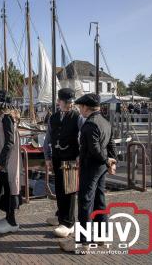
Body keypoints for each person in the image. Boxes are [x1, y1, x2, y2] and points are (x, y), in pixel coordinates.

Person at [60, 93, 117, 252]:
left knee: (85, 202)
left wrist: (107, 161)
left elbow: (95, 150)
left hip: (91, 167)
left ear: (86, 107)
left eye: (80, 107)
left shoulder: (90, 124)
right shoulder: (105, 122)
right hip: (101, 168)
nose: (80, 110)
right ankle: (102, 236)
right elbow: (111, 145)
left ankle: (83, 242)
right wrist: (112, 162)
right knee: (100, 200)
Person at [43, 88, 84, 238]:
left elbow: (83, 137)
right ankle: (61, 216)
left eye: (69, 103)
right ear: (59, 102)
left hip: (71, 157)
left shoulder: (77, 117)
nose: (68, 105)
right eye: (65, 102)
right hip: (57, 157)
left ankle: (68, 223)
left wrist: (80, 154)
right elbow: (48, 139)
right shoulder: (53, 117)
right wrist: (47, 157)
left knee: (70, 190)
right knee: (60, 189)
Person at [0, 90, 22, 234]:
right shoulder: (1, 118)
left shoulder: (7, 119)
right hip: (3, 163)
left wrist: (1, 162)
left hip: (6, 164)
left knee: (9, 189)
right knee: (6, 189)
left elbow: (9, 142)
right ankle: (8, 218)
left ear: (0, 104)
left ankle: (12, 221)